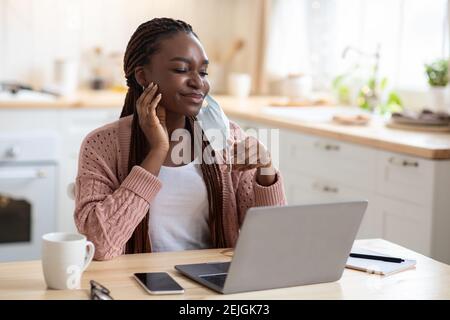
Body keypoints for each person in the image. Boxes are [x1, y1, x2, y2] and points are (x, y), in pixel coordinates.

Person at [74, 17, 286, 261]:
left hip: (212, 284)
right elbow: (98, 246)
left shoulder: (228, 138)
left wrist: (266, 172)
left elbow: (271, 243)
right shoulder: (102, 146)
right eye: (182, 70)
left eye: (203, 71)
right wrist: (157, 151)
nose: (198, 82)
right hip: (135, 285)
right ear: (143, 77)